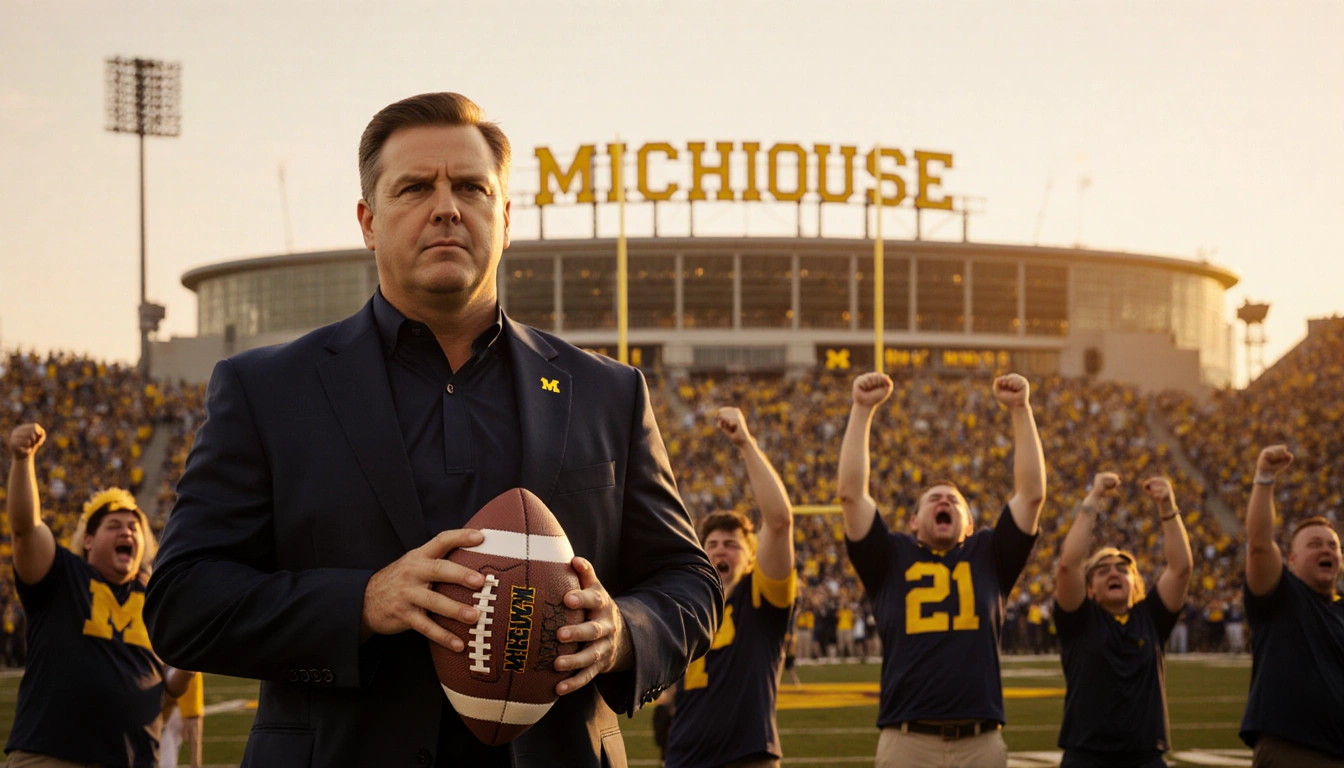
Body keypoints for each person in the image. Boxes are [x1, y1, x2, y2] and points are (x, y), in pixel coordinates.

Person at [143, 92, 721, 768]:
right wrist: (360, 602)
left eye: (471, 187)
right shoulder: (267, 389)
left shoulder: (607, 392)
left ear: (504, 219)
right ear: (368, 220)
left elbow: (690, 578)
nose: (446, 205)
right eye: (415, 186)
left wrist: (623, 633)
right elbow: (182, 601)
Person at [838, 372, 1045, 768]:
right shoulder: (890, 558)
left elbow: (1031, 495)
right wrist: (862, 411)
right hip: (907, 740)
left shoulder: (989, 554)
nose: (943, 500)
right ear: (914, 522)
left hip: (979, 742)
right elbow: (851, 495)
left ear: (968, 523)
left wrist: (1021, 410)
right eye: (933, 498)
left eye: (953, 499)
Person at [5, 422, 194, 767]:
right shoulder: (64, 575)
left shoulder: (154, 595)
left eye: (134, 526)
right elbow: (25, 527)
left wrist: (192, 657)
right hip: (52, 757)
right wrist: (23, 460)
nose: (128, 530)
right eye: (114, 525)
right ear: (88, 540)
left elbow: (169, 686)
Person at [663, 407, 797, 768]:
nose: (721, 549)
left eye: (732, 544)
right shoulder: (688, 604)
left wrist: (745, 443)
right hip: (683, 756)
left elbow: (780, 521)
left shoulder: (761, 599)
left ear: (752, 559)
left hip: (746, 757)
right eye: (713, 544)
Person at [1053, 473, 1192, 768]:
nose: (1114, 573)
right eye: (1102, 570)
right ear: (1089, 588)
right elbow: (1068, 565)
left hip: (1145, 758)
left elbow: (1181, 568)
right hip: (1086, 757)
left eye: (1122, 568)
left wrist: (1167, 505)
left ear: (1135, 582)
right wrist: (1093, 498)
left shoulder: (1150, 617)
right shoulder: (1080, 620)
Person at [1239, 445, 1344, 767]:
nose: (1326, 549)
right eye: (1314, 545)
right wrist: (1265, 477)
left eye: (1332, 545)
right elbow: (1258, 545)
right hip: (1294, 751)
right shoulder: (1282, 596)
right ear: (1292, 560)